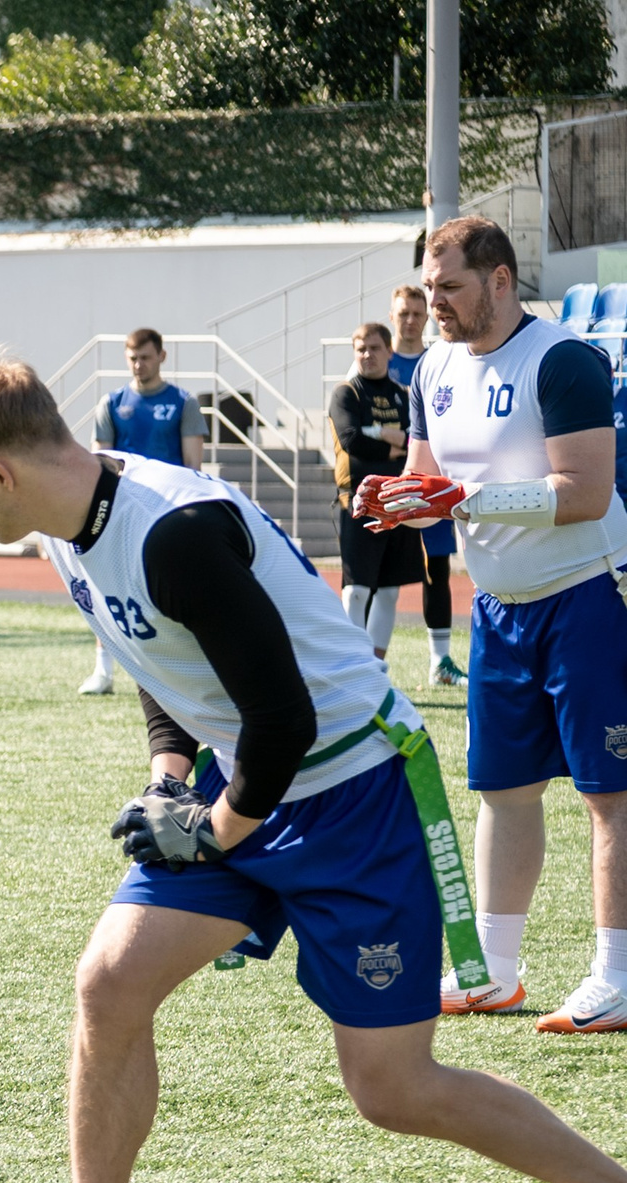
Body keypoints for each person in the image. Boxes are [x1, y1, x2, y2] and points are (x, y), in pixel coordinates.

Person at [0, 354, 627, 1183]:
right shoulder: (63, 517)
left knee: (392, 1086)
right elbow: (160, 659)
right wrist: (167, 780)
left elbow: (284, 720)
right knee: (109, 982)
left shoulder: (172, 529)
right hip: (241, 775)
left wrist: (208, 830)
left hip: (352, 787)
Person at [361, 216, 627, 1033]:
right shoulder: (430, 368)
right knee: (503, 792)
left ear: (502, 281)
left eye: (451, 287)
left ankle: (617, 976)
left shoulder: (564, 361)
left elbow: (583, 491)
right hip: (500, 612)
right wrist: (398, 501)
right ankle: (491, 971)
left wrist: (462, 500)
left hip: (589, 597)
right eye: (428, 286)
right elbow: (427, 479)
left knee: (610, 795)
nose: (434, 303)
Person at [80, 329, 206, 696]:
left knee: (171, 589)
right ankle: (103, 670)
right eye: (133, 358)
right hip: (120, 511)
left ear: (162, 357)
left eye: (146, 357)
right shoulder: (113, 402)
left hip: (166, 512)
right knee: (107, 586)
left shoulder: (183, 403)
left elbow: (192, 467)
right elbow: (99, 462)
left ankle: (181, 668)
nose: (139, 365)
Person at [329, 321, 423, 658]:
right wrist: (393, 441)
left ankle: (376, 666)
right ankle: (353, 664)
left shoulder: (404, 395)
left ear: (389, 351)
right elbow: (351, 440)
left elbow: (420, 440)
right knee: (356, 591)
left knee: (388, 593)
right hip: (358, 503)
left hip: (398, 503)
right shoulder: (346, 393)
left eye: (374, 348)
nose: (367, 355)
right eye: (360, 349)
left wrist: (378, 432)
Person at [389, 283, 466, 684]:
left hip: (431, 484)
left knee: (438, 568)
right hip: (393, 488)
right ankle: (368, 662)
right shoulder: (375, 363)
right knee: (379, 581)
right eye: (404, 313)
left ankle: (440, 661)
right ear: (392, 317)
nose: (412, 320)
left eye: (417, 313)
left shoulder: (443, 360)